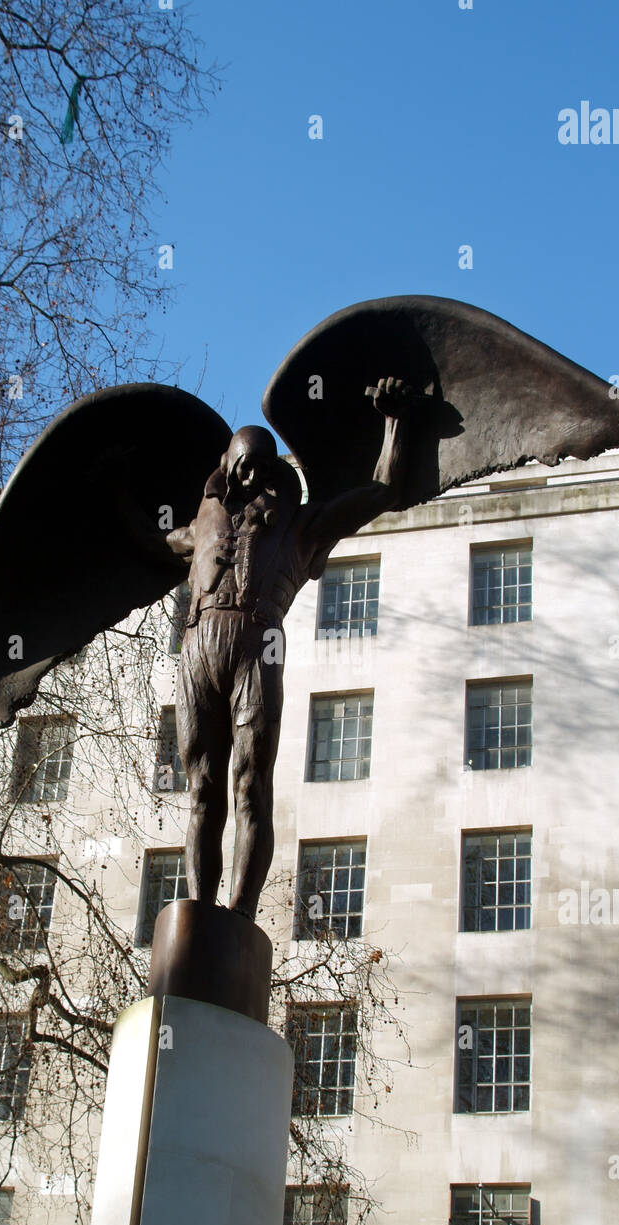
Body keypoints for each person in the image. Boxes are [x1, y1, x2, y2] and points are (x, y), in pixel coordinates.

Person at [165, 377, 418, 918]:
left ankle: (238, 916)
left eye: (264, 465)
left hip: (261, 646)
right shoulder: (197, 529)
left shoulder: (303, 527)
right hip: (196, 649)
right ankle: (197, 912)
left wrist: (394, 421)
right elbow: (147, 542)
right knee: (202, 788)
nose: (254, 474)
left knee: (251, 784)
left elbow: (383, 491)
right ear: (226, 465)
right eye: (244, 464)